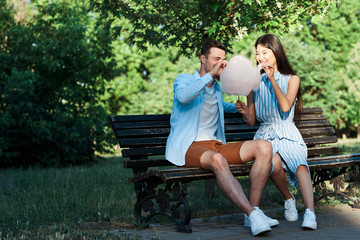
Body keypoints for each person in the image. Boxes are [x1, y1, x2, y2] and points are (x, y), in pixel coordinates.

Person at [165, 40, 278, 236]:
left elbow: (218, 107)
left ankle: (253, 210)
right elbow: (184, 97)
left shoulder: (216, 89)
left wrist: (238, 109)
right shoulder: (183, 80)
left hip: (215, 145)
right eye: (217, 59)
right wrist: (210, 75)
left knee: (264, 147)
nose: (222, 63)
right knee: (218, 160)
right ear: (203, 59)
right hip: (189, 147)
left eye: (224, 59)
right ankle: (252, 214)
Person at [236, 34, 317, 230]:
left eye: (265, 52)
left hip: (287, 131)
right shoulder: (253, 83)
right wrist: (245, 113)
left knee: (300, 164)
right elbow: (252, 121)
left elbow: (285, 107)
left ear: (276, 52)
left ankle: (310, 213)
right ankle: (289, 199)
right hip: (265, 135)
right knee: (273, 164)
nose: (260, 57)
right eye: (257, 53)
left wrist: (272, 79)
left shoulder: (292, 79)